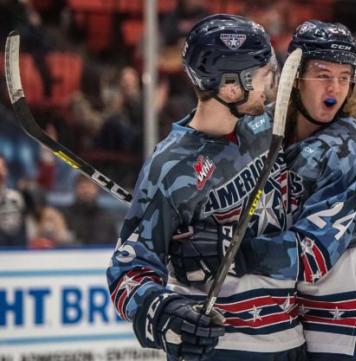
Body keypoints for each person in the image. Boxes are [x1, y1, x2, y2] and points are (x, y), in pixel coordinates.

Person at [184, 20, 356, 360]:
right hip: (297, 329)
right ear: (294, 75)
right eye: (322, 74)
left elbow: (312, 256)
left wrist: (228, 249)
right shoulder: (261, 127)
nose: (335, 86)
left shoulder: (352, 149)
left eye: (344, 76)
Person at [106, 14, 306, 361]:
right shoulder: (170, 168)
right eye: (263, 77)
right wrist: (165, 311)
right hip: (224, 348)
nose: (270, 86)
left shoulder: (270, 127)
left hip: (290, 339)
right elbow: (128, 269)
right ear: (231, 87)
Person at [62, 175, 118, 245]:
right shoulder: (65, 214)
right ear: (75, 189)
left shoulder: (106, 216)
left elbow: (113, 242)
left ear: (97, 189)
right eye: (82, 187)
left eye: (89, 187)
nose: (86, 191)